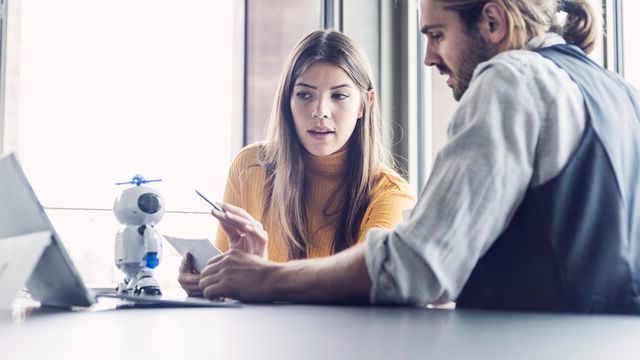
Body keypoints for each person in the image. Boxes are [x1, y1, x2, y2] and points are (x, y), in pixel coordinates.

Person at [196, 0, 640, 313]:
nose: (429, 57)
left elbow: (417, 267)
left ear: (492, 22)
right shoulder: (622, 94)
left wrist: (265, 278)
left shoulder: (511, 80)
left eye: (436, 34)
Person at [178, 30, 415, 296]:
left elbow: (368, 283)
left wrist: (261, 275)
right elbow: (227, 293)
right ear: (287, 100)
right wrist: (208, 282)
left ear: (364, 105)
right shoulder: (250, 167)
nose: (320, 111)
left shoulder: (390, 194)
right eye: (304, 95)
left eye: (339, 96)